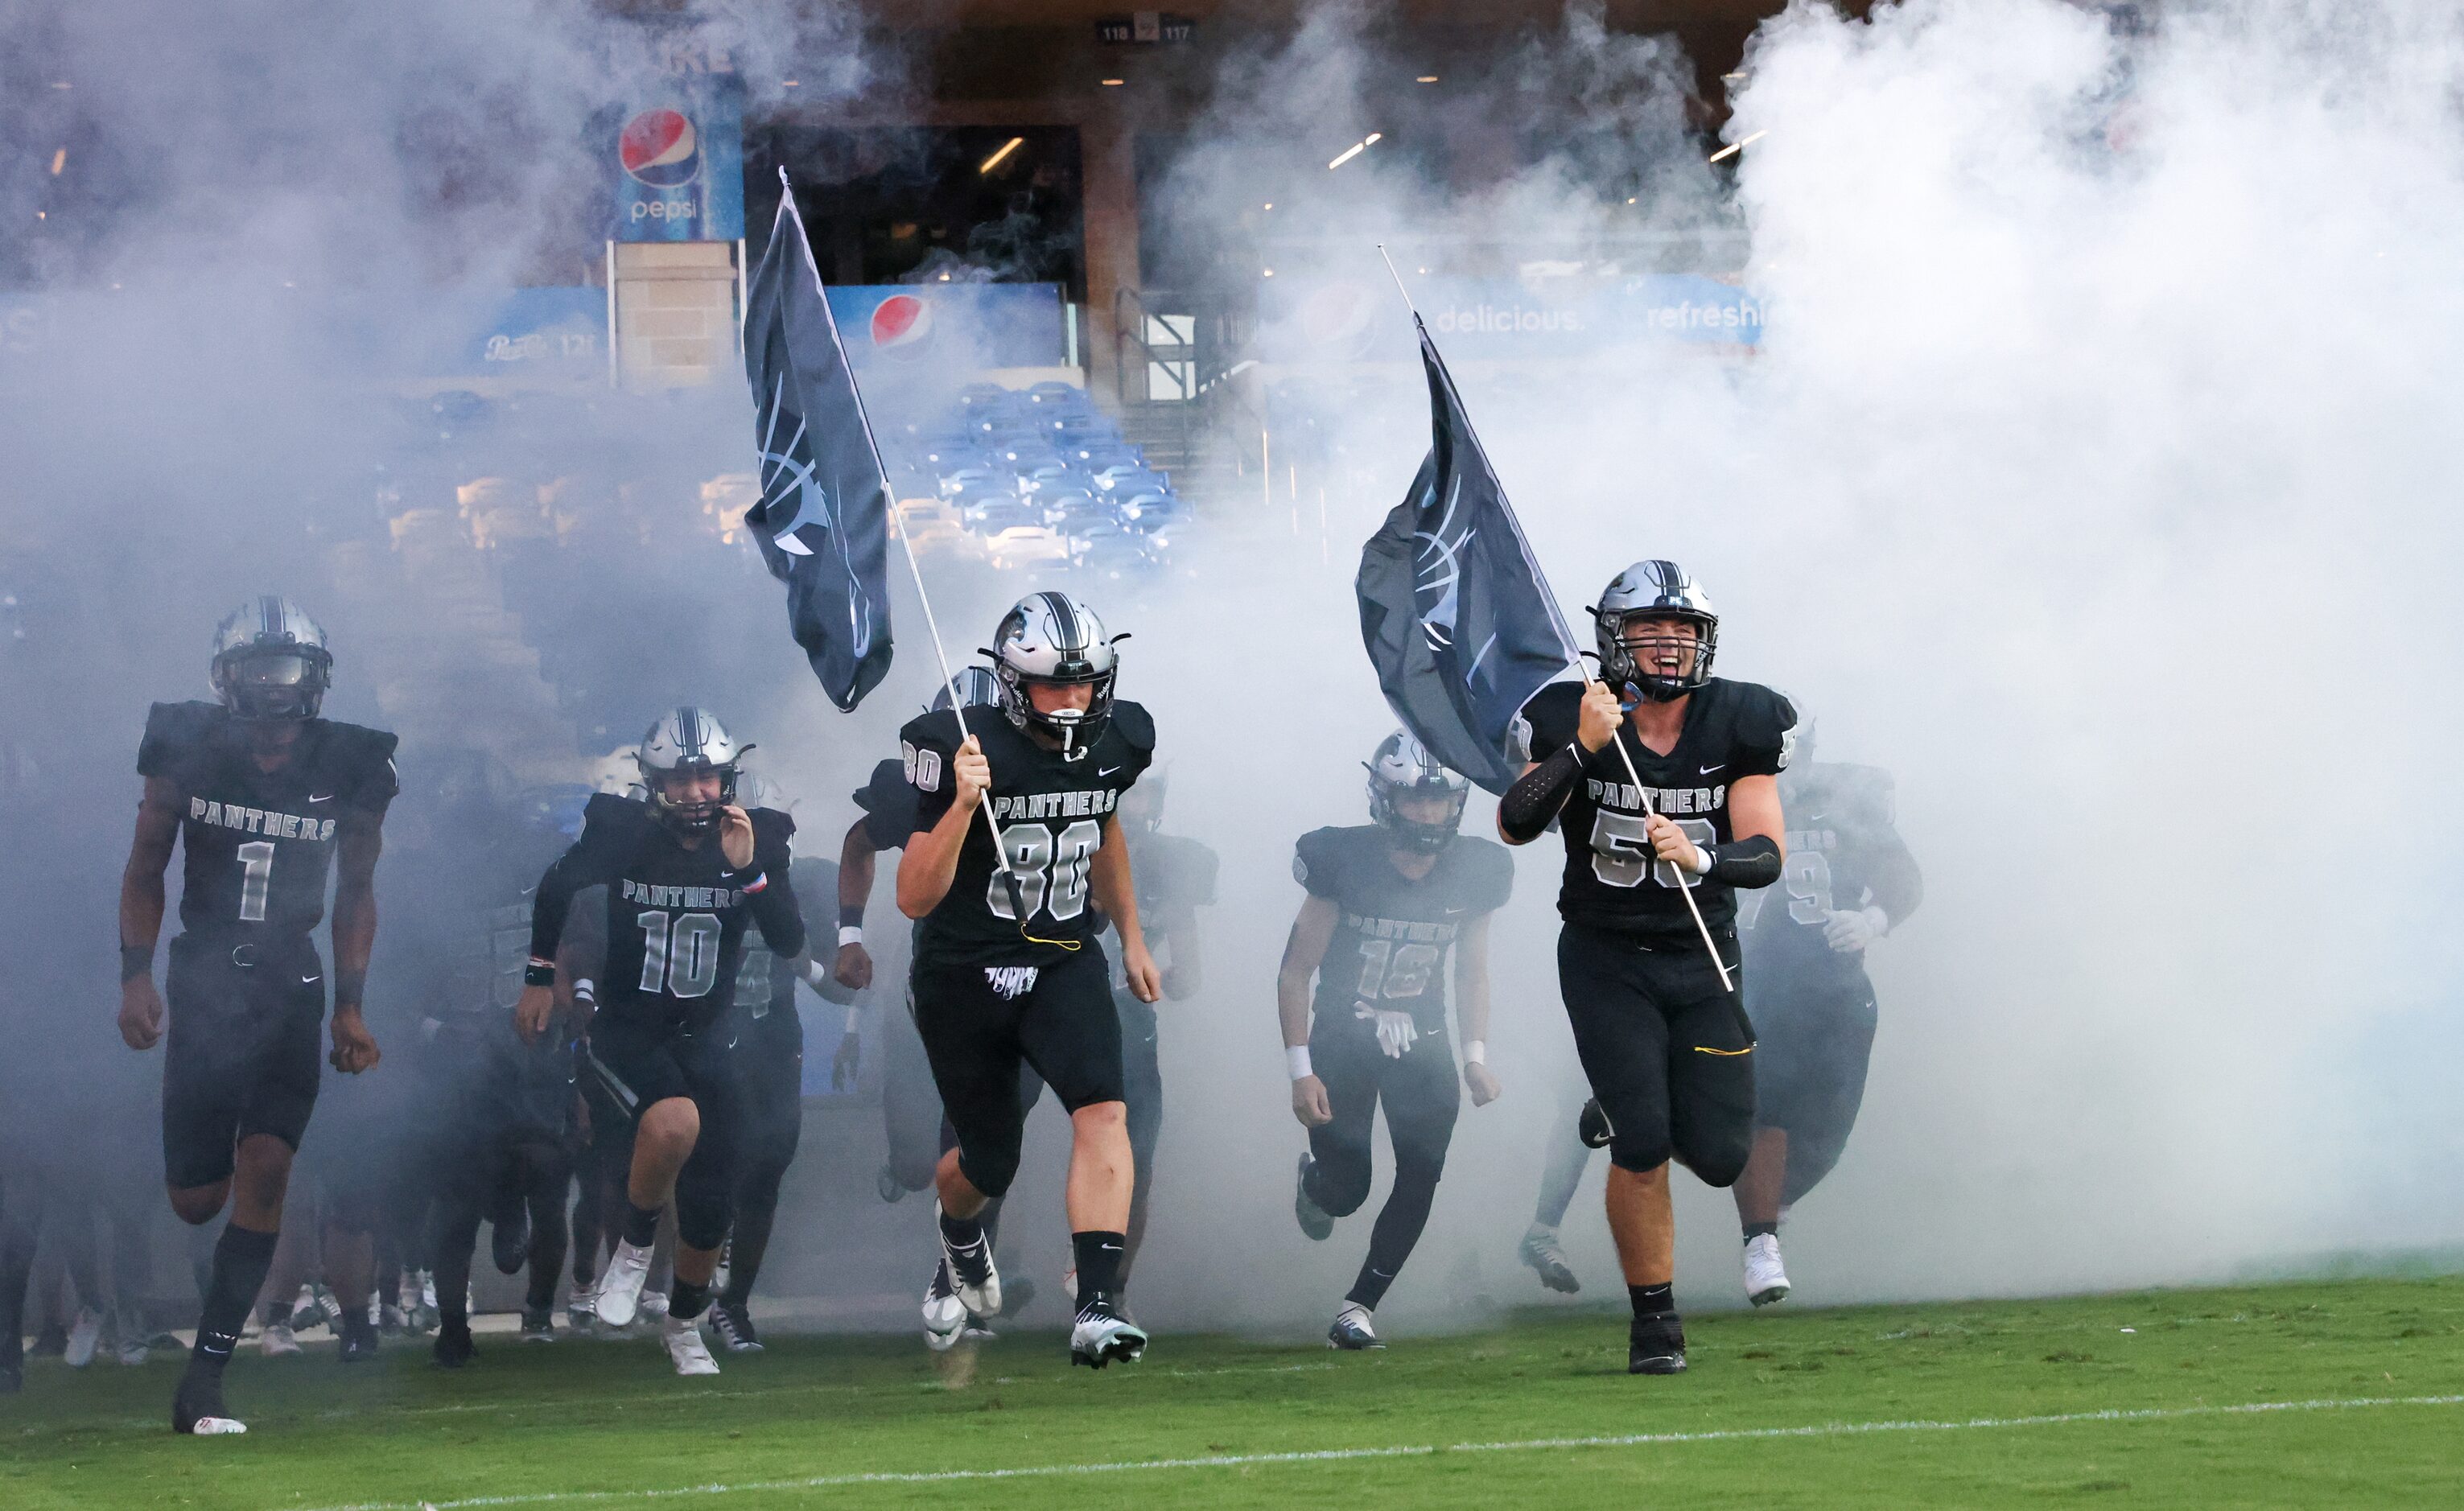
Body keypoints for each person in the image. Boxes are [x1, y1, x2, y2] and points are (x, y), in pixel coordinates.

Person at [1497, 561, 1793, 1376]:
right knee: (1645, 1138)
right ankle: (1653, 1324)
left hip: (1702, 955)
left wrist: (1699, 855)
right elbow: (1514, 824)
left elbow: (1765, 853)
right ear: (1611, 640)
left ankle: (1621, 1099)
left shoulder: (1741, 717)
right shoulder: (1568, 712)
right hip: (1605, 954)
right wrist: (1584, 748)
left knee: (1719, 1155)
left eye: (1685, 630)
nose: (1670, 645)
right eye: (1650, 630)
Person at [117, 596, 399, 1432]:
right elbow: (144, 867)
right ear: (225, 678)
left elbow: (357, 890)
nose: (275, 692)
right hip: (205, 972)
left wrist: (350, 1006)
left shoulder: (352, 764)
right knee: (196, 1200)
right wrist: (135, 975)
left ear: (315, 682)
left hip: (290, 977)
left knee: (269, 1164)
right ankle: (217, 1335)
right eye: (258, 671)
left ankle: (203, 1382)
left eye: (290, 672)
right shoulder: (185, 747)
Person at [896, 593, 1159, 1369]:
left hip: (1061, 957)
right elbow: (913, 896)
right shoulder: (959, 745)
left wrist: (1133, 937)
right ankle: (957, 1235)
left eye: (1084, 683)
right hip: (963, 971)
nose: (1072, 700)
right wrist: (962, 803)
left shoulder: (1122, 736)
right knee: (989, 1159)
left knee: (1103, 1111)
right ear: (1012, 683)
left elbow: (1101, 819)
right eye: (1053, 685)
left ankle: (1098, 1306)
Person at [513, 708, 804, 1377]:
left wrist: (750, 869)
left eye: (708, 778)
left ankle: (683, 1326)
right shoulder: (620, 834)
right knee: (674, 1125)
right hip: (629, 1026)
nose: (697, 792)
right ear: (653, 784)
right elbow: (556, 887)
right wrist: (536, 978)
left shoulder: (757, 837)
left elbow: (789, 941)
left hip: (710, 1033)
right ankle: (635, 1247)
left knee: (711, 1208)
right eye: (681, 780)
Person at [1279, 733, 1510, 1348]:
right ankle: (1316, 1184)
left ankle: (1359, 1306)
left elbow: (1471, 969)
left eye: (1439, 802)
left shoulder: (1477, 868)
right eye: (1415, 801)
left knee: (1421, 1172)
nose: (1429, 814)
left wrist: (1475, 1057)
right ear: (1385, 800)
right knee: (1348, 1189)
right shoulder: (1344, 859)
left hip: (1423, 1036)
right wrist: (1300, 1068)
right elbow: (1297, 969)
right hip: (1342, 1035)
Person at [1729, 711, 1921, 1306]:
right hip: (1756, 986)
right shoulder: (1717, 801)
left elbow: (1903, 878)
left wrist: (1872, 919)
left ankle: (1773, 1210)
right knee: (1766, 1112)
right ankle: (1760, 1239)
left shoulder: (1844, 803)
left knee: (1830, 1125)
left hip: (1836, 987)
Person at [1094, 768, 1216, 1309]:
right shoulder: (1064, 843)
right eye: (1127, 792)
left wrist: (1152, 980)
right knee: (1002, 1145)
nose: (1137, 806)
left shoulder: (1172, 863)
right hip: (1043, 1009)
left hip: (1124, 1021)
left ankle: (1111, 1290)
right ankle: (988, 1268)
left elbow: (1188, 974)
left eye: (1145, 792)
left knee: (1137, 1160)